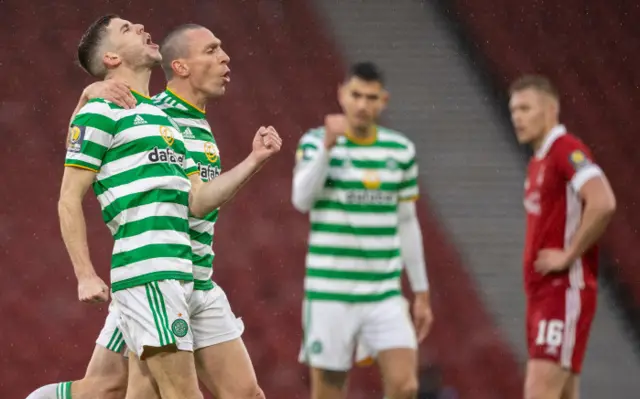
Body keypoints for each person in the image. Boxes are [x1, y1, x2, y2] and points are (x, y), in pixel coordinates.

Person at [28, 15, 280, 399]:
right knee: (163, 392)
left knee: (124, 390)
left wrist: (254, 160)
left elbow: (198, 200)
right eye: (212, 50)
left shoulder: (168, 121)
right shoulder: (115, 107)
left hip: (189, 273)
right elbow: (71, 182)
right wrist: (84, 274)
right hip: (151, 271)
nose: (226, 58)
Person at [291, 61, 433, 399]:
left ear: (384, 101)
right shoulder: (314, 142)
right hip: (329, 291)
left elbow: (407, 221)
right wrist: (327, 146)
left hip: (382, 291)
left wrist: (422, 291)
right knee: (329, 392)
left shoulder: (400, 151)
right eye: (356, 95)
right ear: (342, 94)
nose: (362, 105)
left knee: (406, 385)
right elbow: (301, 199)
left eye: (371, 98)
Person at [510, 75, 616, 399]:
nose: (517, 117)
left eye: (526, 108)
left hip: (562, 291)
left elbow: (603, 201)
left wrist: (569, 255)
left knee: (539, 392)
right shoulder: (539, 160)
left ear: (551, 109)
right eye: (513, 110)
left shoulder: (564, 149)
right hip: (543, 294)